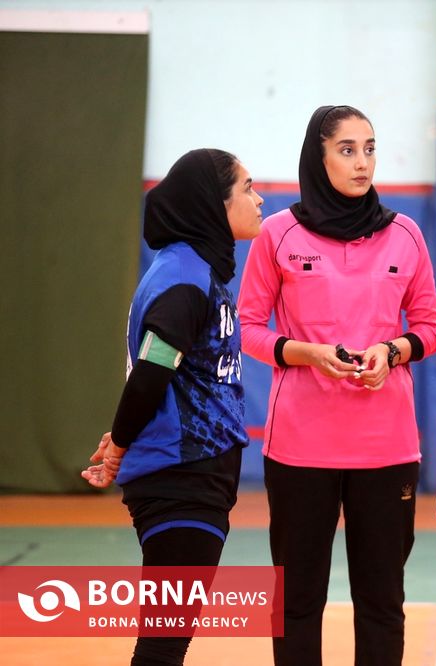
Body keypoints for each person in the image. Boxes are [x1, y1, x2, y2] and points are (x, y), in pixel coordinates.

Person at [237, 105, 436, 666]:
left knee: (382, 603)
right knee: (297, 602)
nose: (362, 162)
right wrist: (307, 354)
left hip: (387, 449)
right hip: (300, 448)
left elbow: (430, 328)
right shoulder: (277, 233)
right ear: (318, 156)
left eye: (369, 149)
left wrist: (391, 352)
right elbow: (247, 328)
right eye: (347, 150)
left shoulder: (406, 234)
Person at [81, 148, 263, 665]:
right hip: (182, 479)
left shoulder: (193, 270)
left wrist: (127, 434)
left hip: (191, 476)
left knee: (166, 640)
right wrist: (121, 443)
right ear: (214, 203)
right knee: (163, 643)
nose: (259, 198)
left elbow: (159, 374)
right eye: (247, 188)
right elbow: (153, 371)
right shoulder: (184, 279)